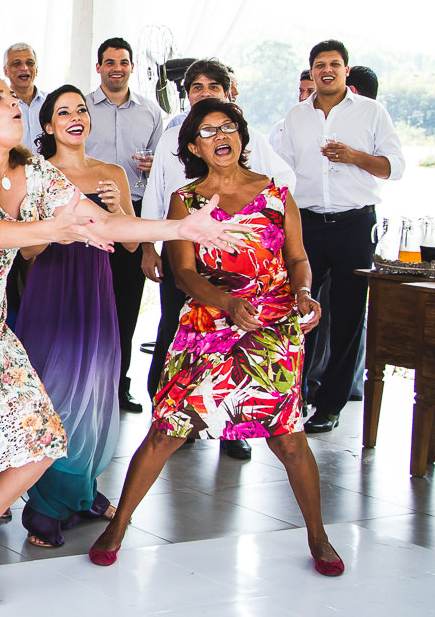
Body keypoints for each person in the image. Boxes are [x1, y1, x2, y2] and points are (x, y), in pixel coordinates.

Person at [0, 72, 239, 617]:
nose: (13, 104)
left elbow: (100, 220)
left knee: (43, 440)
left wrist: (180, 231)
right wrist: (56, 231)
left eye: (13, 96)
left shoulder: (31, 170)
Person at [90, 98, 344, 578]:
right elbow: (181, 271)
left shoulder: (276, 195)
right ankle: (118, 526)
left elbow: (298, 259)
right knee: (167, 430)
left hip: (272, 330)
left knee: (288, 440)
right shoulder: (187, 200)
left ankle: (318, 534)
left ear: (243, 137)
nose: (220, 136)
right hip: (207, 329)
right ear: (192, 146)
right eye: (207, 131)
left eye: (228, 127)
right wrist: (226, 304)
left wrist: (305, 293)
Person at [139, 58, 295, 461]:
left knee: (248, 359)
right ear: (185, 94)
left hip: (244, 265)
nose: (203, 91)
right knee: (175, 330)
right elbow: (158, 192)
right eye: (195, 86)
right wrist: (149, 246)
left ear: (228, 92)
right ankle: (175, 418)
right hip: (185, 247)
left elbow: (283, 187)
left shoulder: (249, 137)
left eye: (212, 85)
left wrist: (248, 218)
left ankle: (236, 428)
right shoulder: (173, 135)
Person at [15, 85, 133, 548]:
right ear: (47, 126)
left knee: (94, 391)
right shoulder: (32, 175)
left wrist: (120, 210)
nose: (75, 117)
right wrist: (57, 224)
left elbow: (129, 244)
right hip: (50, 290)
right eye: (63, 112)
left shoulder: (112, 173)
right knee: (53, 393)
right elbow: (25, 249)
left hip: (96, 291)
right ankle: (43, 507)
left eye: (81, 109)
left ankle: (80, 490)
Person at [279, 40, 403, 433]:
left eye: (334, 64)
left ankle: (331, 406)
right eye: (319, 65)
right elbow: (281, 177)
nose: (326, 70)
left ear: (346, 70)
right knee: (300, 309)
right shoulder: (295, 117)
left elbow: (394, 167)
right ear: (311, 71)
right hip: (307, 224)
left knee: (349, 316)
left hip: (354, 224)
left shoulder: (372, 112)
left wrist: (354, 157)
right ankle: (293, 397)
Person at [84, 37, 164, 413]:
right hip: (85, 214)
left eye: (124, 62)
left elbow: (161, 170)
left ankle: (118, 386)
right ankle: (85, 386)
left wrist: (151, 167)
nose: (117, 67)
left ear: (132, 67)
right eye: (110, 61)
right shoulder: (79, 109)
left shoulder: (150, 112)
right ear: (98, 67)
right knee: (87, 304)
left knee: (126, 306)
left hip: (130, 210)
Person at [3, 42, 46, 151]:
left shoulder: (52, 103)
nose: (24, 68)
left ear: (36, 69)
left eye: (30, 63)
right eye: (16, 64)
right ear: (5, 71)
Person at [270, 70, 315, 156]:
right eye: (301, 91)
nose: (303, 97)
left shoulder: (326, 128)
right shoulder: (280, 126)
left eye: (310, 91)